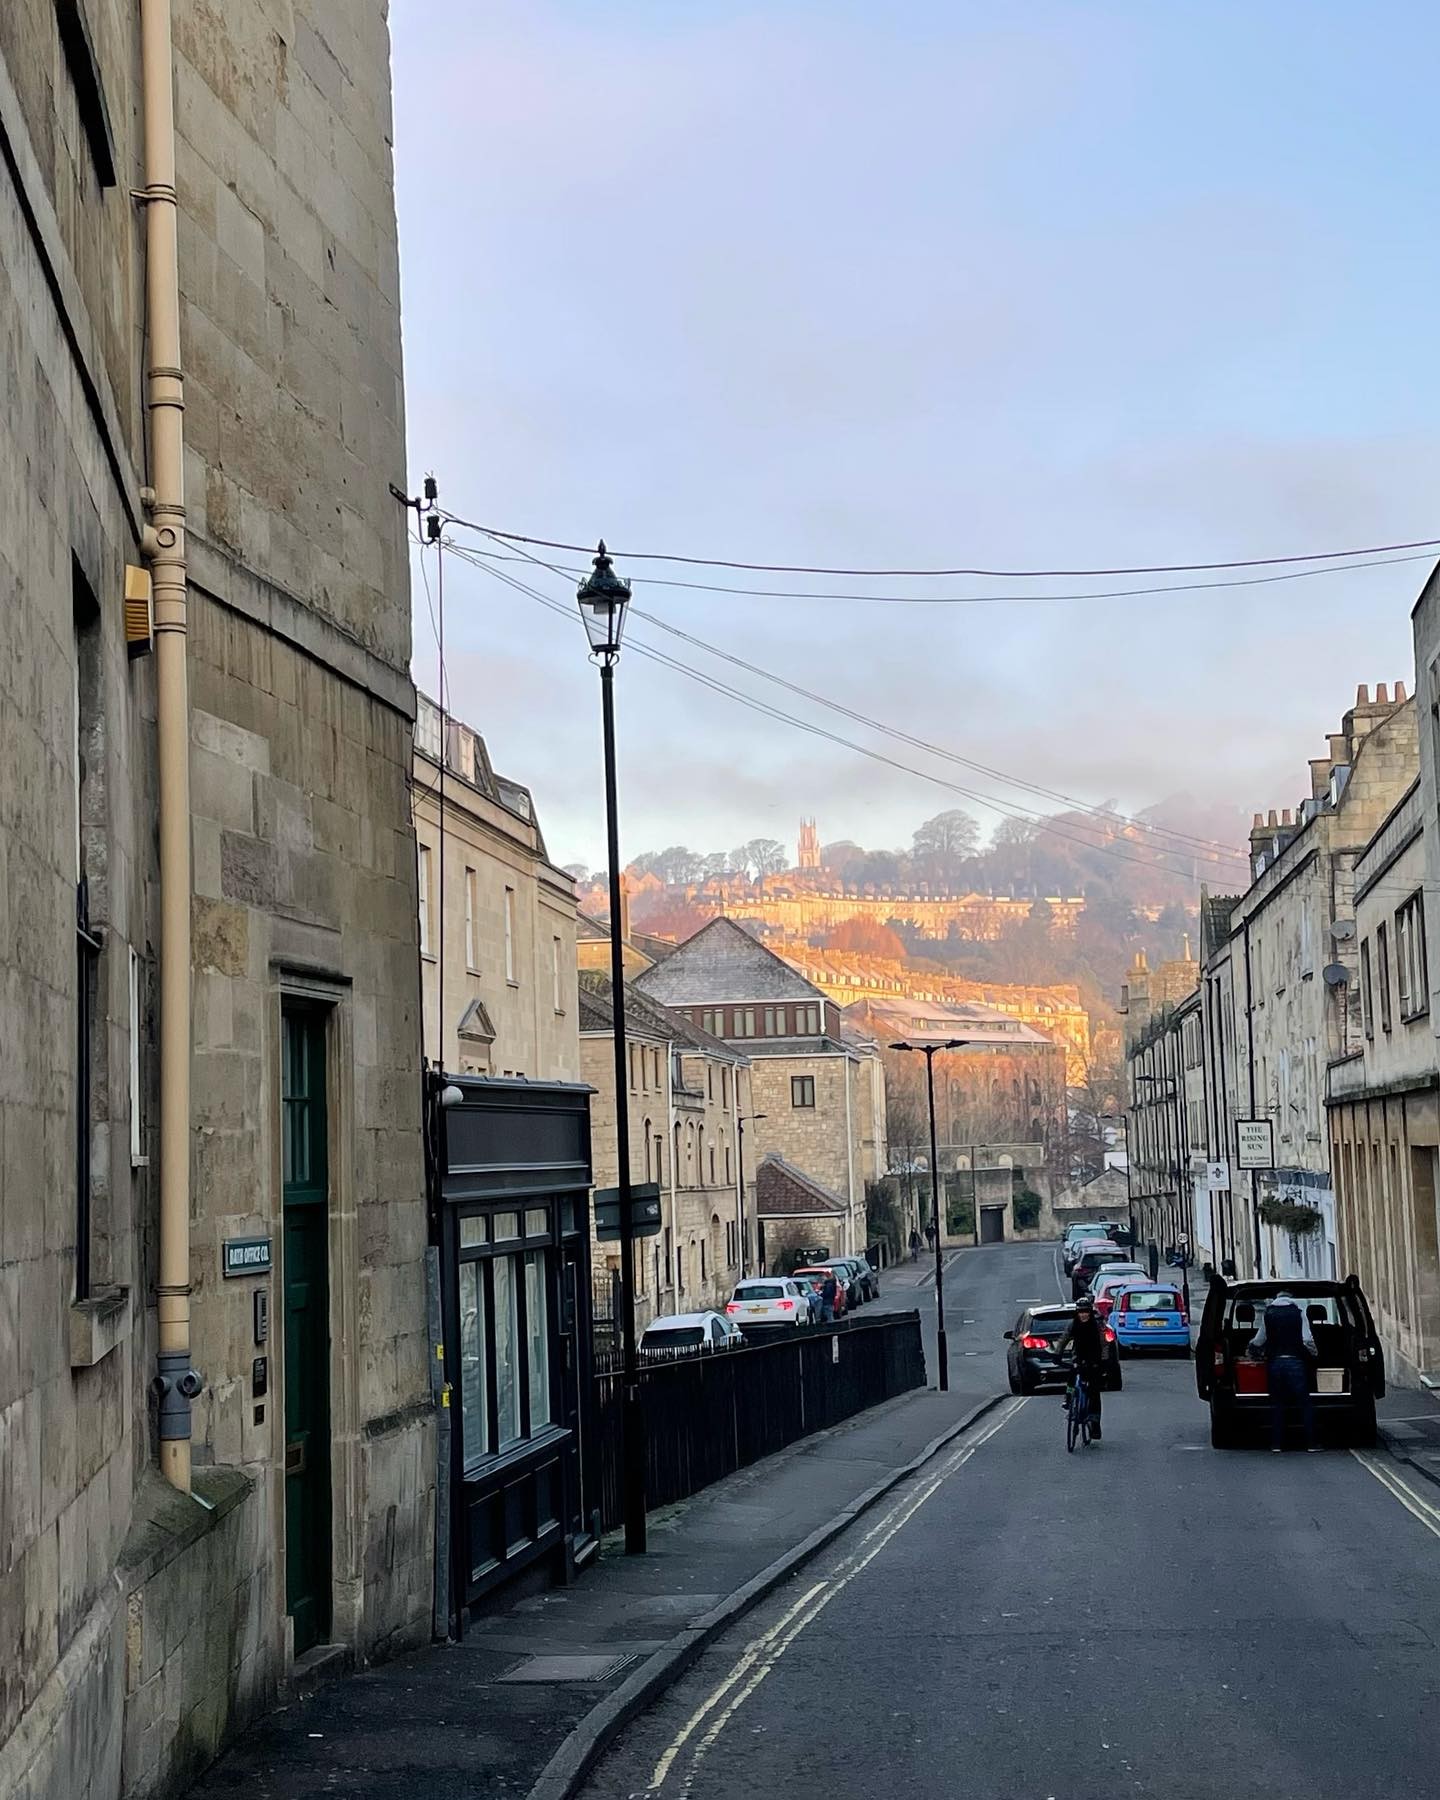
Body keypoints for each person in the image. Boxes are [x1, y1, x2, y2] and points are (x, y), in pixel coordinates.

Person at [1248, 1290, 1318, 1452]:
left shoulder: (1268, 1314)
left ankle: (1276, 1444)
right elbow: (1307, 1339)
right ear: (1291, 1299)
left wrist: (1251, 1349)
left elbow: (1259, 1340)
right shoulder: (1298, 1313)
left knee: (1277, 1404)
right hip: (1295, 1362)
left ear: (1276, 1299)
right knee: (1305, 1404)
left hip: (1275, 1363)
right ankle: (1311, 1444)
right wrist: (1315, 1354)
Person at [1055, 1294, 1106, 1440]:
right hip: (1079, 1357)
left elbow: (1104, 1344)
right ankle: (1068, 1398)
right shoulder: (1073, 1324)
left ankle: (1095, 1423)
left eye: (1086, 1312)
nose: (1083, 1315)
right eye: (1080, 1312)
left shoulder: (1096, 1325)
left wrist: (1104, 1360)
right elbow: (1064, 1339)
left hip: (1094, 1358)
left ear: (1090, 1313)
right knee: (1072, 1379)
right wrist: (1057, 1354)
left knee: (1094, 1390)